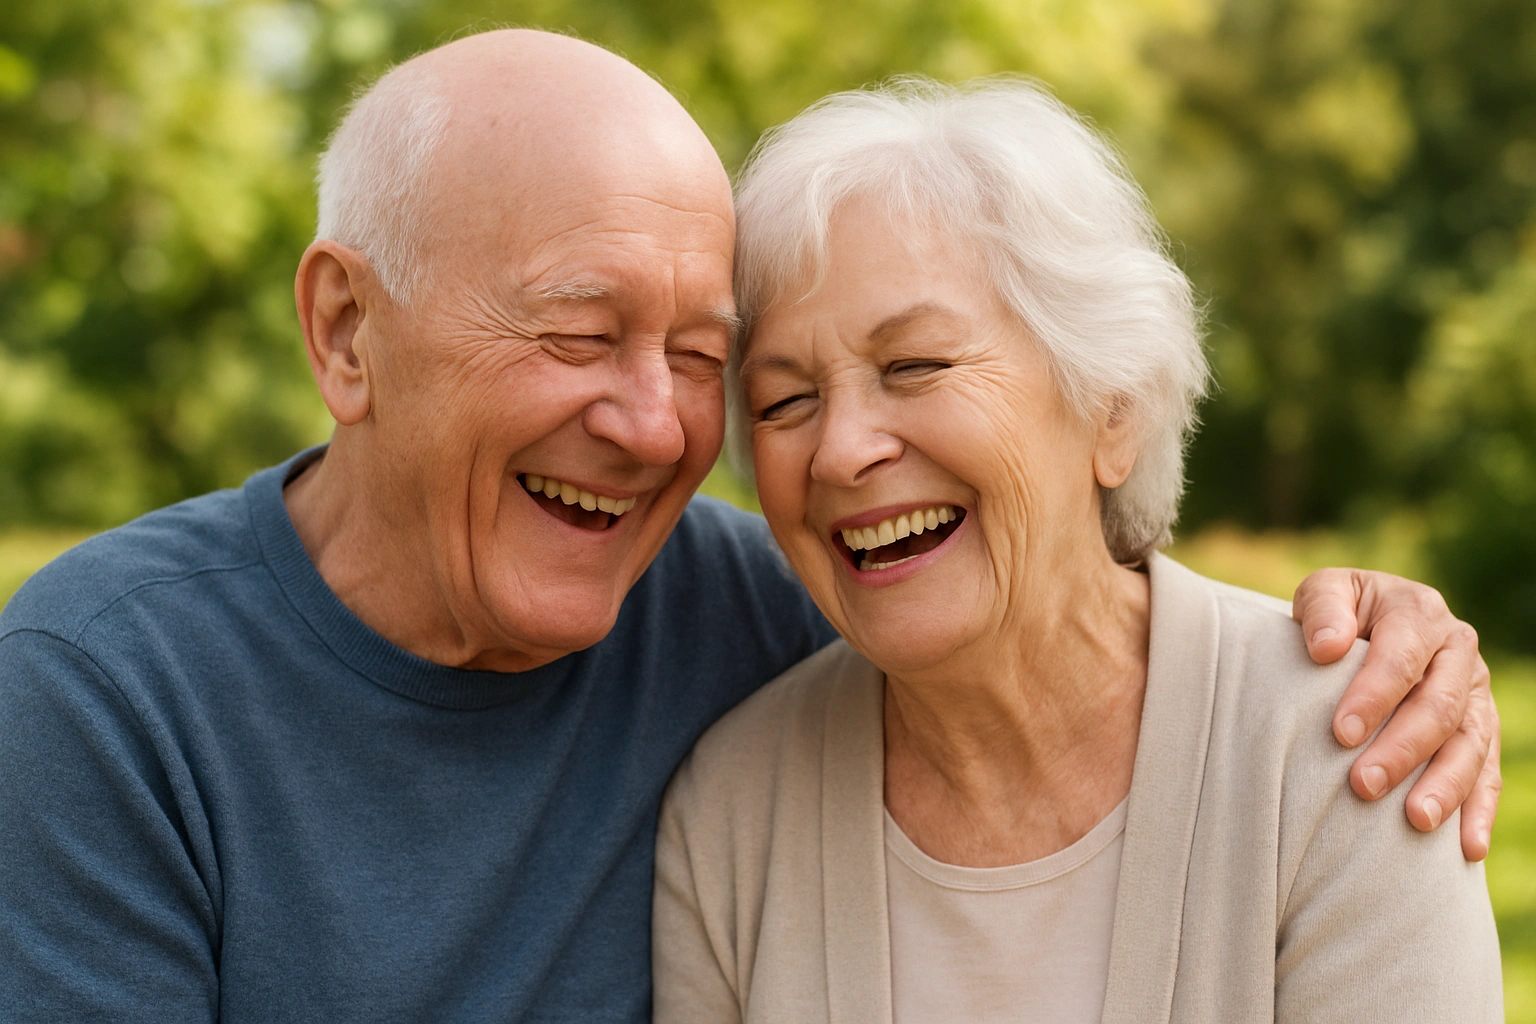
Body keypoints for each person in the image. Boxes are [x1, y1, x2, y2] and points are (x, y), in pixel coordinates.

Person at [0, 31, 1497, 1024]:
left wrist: (1392, 635)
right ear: (344, 333)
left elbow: (1070, 620)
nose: (659, 428)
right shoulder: (102, 692)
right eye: (578, 333)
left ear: (1116, 400)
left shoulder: (1349, 738)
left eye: (704, 361)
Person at [652, 79, 1502, 1023]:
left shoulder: (1345, 747)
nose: (843, 450)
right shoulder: (731, 815)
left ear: (1114, 408)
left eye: (916, 366)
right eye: (783, 401)